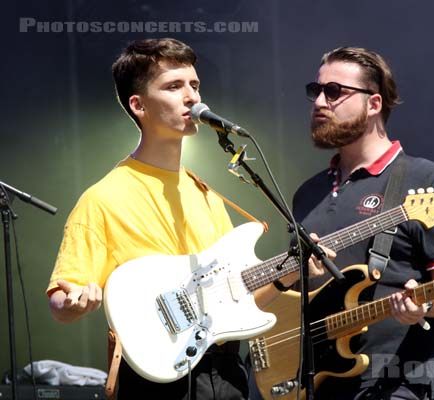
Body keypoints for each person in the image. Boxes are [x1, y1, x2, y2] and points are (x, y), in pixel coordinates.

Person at [46, 38, 322, 400]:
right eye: (174, 86)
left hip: (225, 376)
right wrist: (72, 302)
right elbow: (60, 301)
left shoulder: (205, 194)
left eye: (195, 85)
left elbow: (236, 303)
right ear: (138, 104)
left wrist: (289, 275)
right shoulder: (103, 198)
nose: (192, 97)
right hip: (155, 378)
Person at [292, 47, 434, 400]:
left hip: (393, 385)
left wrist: (425, 306)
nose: (319, 103)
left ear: (374, 104)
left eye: (335, 92)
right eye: (317, 91)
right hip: (316, 381)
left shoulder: (426, 179)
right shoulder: (306, 193)